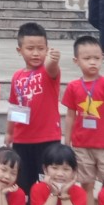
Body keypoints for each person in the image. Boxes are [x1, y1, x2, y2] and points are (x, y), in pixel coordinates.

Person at [61, 35, 104, 205]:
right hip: (81, 145)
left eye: (97, 58)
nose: (92, 62)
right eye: (87, 58)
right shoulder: (73, 86)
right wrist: (67, 141)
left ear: (102, 58)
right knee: (86, 184)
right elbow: (70, 115)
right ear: (76, 61)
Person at [4, 21, 63, 193]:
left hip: (47, 139)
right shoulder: (17, 76)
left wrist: (53, 60)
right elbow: (14, 106)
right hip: (21, 139)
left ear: (47, 49)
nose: (36, 53)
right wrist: (9, 132)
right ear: (19, 50)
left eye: (41, 48)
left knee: (46, 184)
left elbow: (52, 67)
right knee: (22, 184)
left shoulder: (47, 72)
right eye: (30, 48)